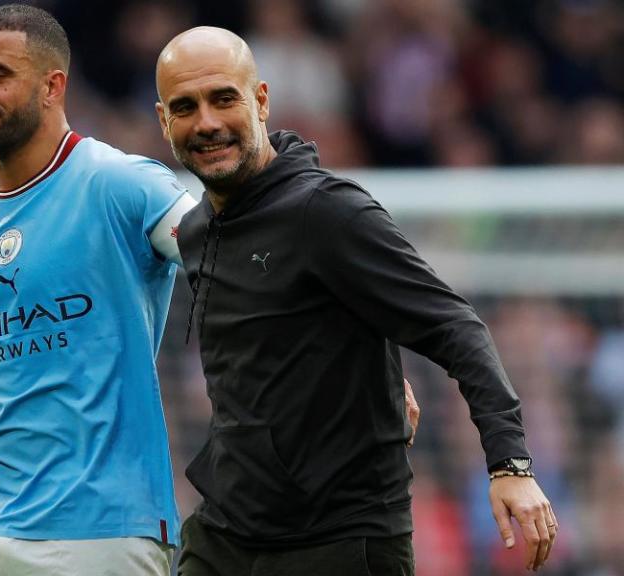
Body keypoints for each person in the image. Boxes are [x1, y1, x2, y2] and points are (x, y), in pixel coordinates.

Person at [154, 27, 557, 575]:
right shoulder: (198, 229)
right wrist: (376, 376)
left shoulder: (327, 211)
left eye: (224, 98)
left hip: (341, 540)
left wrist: (509, 463)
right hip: (228, 533)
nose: (206, 121)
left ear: (262, 100)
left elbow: (454, 325)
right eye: (186, 106)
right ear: (163, 120)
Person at [0, 5, 197, 576]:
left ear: (53, 86)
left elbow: (233, 266)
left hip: (110, 532)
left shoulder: (123, 184)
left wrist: (349, 356)